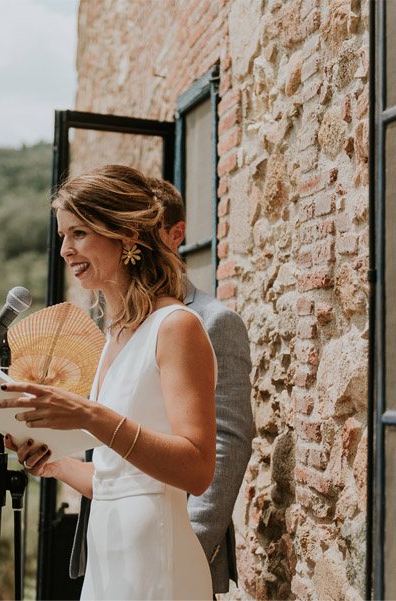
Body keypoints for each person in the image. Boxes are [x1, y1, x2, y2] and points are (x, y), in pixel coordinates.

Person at [0, 164, 216, 599]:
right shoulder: (115, 334)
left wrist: (88, 414)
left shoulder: (176, 326)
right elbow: (115, 479)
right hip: (108, 548)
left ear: (127, 234)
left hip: (156, 553)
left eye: (78, 234)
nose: (64, 250)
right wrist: (52, 464)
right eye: (63, 235)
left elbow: (197, 468)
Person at [149, 177, 253, 595]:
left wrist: (186, 548)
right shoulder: (118, 323)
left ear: (176, 234)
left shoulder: (214, 322)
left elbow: (228, 441)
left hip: (176, 553)